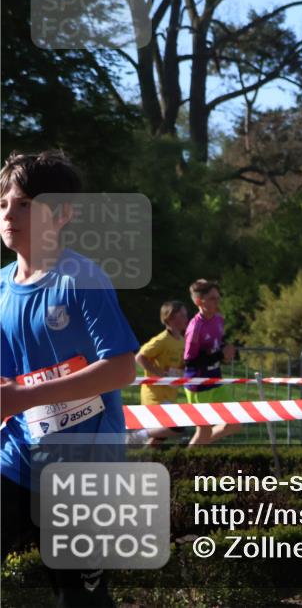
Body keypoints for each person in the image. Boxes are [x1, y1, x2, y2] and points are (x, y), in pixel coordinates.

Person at [1, 150, 139, 607]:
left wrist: (24, 396)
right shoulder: (2, 287)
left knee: (79, 600)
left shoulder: (81, 277)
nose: (8, 214)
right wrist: (15, 398)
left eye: (24, 204)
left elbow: (121, 367)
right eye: (3, 203)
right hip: (16, 457)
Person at [183, 279, 238, 446]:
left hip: (216, 380)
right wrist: (220, 356)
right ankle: (183, 465)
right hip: (198, 384)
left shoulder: (218, 320)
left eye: (218, 298)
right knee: (204, 430)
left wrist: (227, 353)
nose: (217, 302)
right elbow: (190, 361)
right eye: (213, 299)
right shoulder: (195, 327)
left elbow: (217, 345)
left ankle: (199, 446)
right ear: (200, 302)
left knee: (234, 423)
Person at [132, 301, 189, 446]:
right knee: (177, 426)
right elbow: (139, 357)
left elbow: (178, 365)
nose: (186, 318)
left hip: (170, 394)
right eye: (181, 315)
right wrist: (160, 375)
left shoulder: (182, 341)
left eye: (186, 314)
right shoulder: (161, 339)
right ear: (170, 318)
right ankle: (139, 435)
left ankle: (143, 464)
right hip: (155, 395)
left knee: (159, 438)